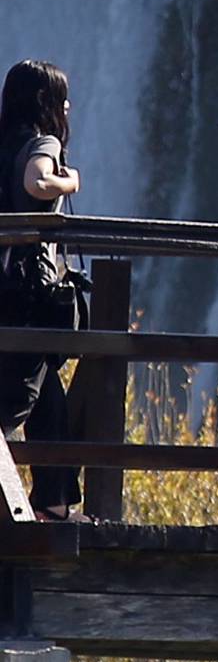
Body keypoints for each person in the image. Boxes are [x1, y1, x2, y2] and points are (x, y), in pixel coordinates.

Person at [0, 60, 89, 521]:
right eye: (63, 98)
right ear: (46, 103)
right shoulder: (43, 142)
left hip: (6, 289)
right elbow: (38, 181)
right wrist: (71, 179)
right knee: (17, 398)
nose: (69, 107)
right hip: (27, 294)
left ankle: (55, 500)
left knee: (48, 393)